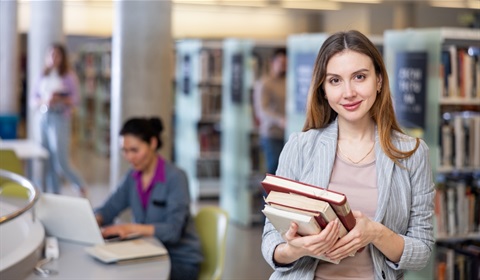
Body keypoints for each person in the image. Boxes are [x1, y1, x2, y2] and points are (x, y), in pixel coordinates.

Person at [261, 30, 435, 279]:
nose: (348, 92)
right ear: (323, 89)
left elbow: (423, 251)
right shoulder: (300, 146)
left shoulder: (412, 154)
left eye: (359, 77)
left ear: (378, 81)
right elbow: (270, 240)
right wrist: (293, 250)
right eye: (335, 81)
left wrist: (375, 233)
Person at [94, 117, 203, 280]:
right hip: (148, 253)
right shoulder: (132, 177)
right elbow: (109, 208)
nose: (129, 157)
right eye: (125, 150)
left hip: (180, 261)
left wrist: (130, 228)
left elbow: (173, 231)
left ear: (152, 143)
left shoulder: (176, 178)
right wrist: (94, 220)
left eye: (134, 150)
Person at [34, 43, 87, 196]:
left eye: (57, 55)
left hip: (60, 117)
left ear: (62, 57)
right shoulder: (42, 75)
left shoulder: (68, 76)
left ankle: (80, 185)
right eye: (51, 55)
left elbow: (76, 100)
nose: (53, 58)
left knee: (61, 161)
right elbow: (33, 100)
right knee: (47, 159)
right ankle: (54, 194)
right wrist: (45, 101)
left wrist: (59, 99)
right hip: (43, 117)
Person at [254, 48, 287, 175]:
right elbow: (262, 110)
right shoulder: (265, 83)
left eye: (285, 63)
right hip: (272, 134)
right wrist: (279, 120)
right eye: (280, 62)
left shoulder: (288, 82)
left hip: (288, 133)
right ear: (272, 62)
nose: (283, 66)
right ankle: (267, 195)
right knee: (273, 170)